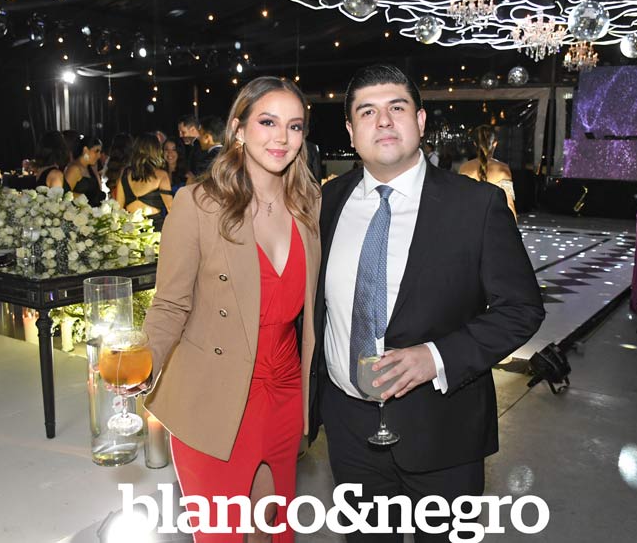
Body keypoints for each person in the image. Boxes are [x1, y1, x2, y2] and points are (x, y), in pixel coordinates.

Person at [307, 64, 544, 542]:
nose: (383, 121)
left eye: (396, 108)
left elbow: (522, 308)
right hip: (349, 431)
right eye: (367, 112)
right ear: (351, 132)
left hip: (443, 430)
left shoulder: (477, 205)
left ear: (420, 120)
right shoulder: (326, 202)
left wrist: (435, 357)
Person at [143, 76, 321, 542]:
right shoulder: (197, 206)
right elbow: (170, 304)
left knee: (274, 529)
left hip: (286, 393)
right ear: (238, 130)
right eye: (268, 122)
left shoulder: (310, 206)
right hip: (215, 396)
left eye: (295, 126)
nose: (282, 137)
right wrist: (144, 361)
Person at [115, 133, 173, 230]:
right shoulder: (161, 175)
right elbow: (170, 208)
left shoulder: (125, 173)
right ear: (156, 151)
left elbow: (118, 207)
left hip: (131, 229)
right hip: (155, 228)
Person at [459, 125, 518, 219]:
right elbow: (509, 205)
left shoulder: (464, 168)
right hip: (493, 222)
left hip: (468, 221)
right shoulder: (502, 169)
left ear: (475, 144)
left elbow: (459, 201)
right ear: (495, 144)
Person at [65, 136, 105, 206]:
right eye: (96, 151)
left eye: (100, 152)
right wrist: (82, 199)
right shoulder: (74, 169)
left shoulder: (90, 168)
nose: (99, 156)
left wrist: (96, 173)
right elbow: (65, 195)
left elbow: (98, 191)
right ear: (85, 150)